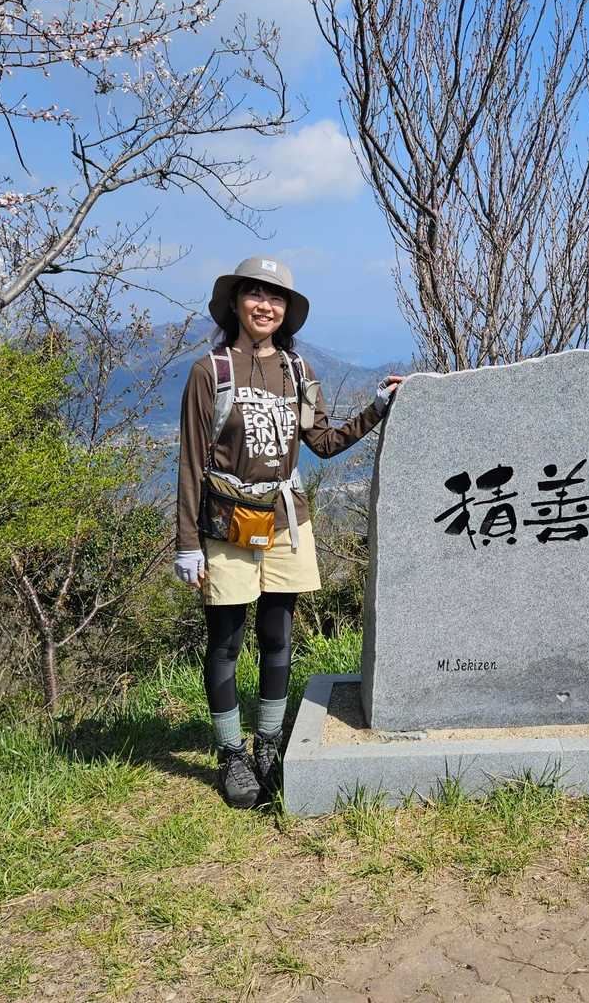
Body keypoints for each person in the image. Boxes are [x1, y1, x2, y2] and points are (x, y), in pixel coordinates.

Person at [174, 255, 401, 808]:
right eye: (255, 294)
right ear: (235, 303)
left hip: (285, 521)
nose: (265, 305)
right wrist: (187, 544)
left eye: (275, 298)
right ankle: (231, 754)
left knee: (277, 637)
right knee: (226, 641)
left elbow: (322, 442)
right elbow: (191, 462)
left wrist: (376, 408)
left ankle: (269, 743)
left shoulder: (298, 372)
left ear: (287, 311)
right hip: (227, 523)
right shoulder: (211, 371)